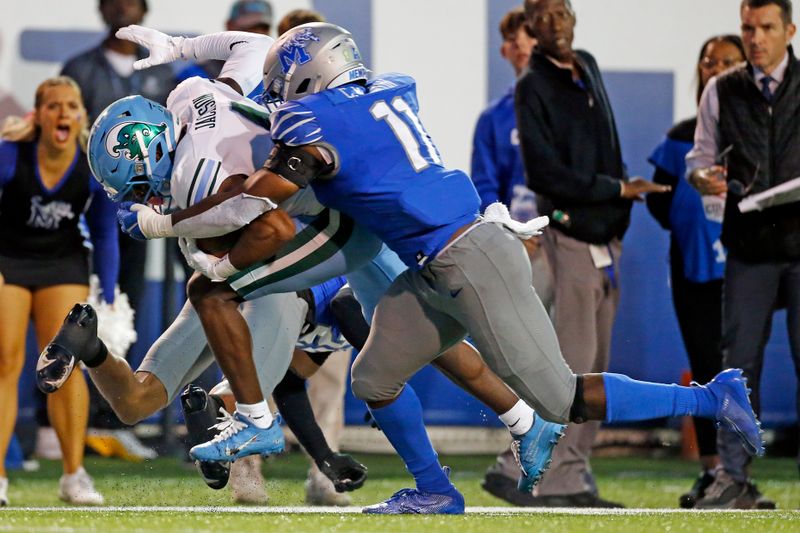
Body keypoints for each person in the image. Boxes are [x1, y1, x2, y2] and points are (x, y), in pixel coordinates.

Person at [120, 22, 765, 514]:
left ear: (311, 80)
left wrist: (165, 222)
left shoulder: (317, 119)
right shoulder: (382, 89)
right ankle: (436, 490)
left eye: (289, 85)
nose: (278, 96)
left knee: (561, 395)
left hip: (468, 259)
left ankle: (711, 395)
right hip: (437, 259)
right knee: (372, 375)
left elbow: (260, 196)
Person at [515, 0, 673, 507]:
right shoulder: (531, 85)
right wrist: (614, 189)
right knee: (574, 365)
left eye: (560, 9)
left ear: (573, 15)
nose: (554, 20)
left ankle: (569, 474)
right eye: (542, 13)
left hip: (607, 236)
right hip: (573, 234)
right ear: (530, 26)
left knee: (596, 361)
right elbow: (544, 174)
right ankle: (548, 473)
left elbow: (606, 145)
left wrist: (617, 198)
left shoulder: (587, 65)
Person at [686, 0, 799, 510]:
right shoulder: (721, 89)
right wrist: (700, 175)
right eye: (748, 28)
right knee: (738, 367)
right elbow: (700, 158)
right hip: (749, 248)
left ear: (789, 30)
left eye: (766, 28)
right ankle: (731, 477)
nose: (755, 38)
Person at [60, 0, 176, 456]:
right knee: (74, 303)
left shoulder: (162, 70)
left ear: (144, 8)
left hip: (144, 205)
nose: (122, 6)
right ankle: (64, 417)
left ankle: (110, 417)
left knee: (124, 302)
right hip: (90, 206)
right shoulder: (80, 67)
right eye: (113, 0)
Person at [0, 76, 119, 506]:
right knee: (6, 362)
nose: (63, 113)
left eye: (72, 106)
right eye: (54, 106)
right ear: (39, 114)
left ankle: (74, 475)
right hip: (7, 259)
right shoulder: (11, 155)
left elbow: (105, 234)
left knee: (64, 364)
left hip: (62, 262)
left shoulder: (93, 164)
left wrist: (108, 293)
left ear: (82, 116)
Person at [647, 35, 754, 509]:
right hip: (693, 271)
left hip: (749, 269)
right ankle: (713, 471)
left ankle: (739, 473)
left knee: (745, 367)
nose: (715, 69)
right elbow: (657, 196)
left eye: (727, 62)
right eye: (708, 62)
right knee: (707, 370)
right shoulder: (680, 136)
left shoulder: (757, 133)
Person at [470, 6, 554, 507]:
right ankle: (522, 460)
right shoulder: (496, 117)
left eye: (530, 38)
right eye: (514, 41)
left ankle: (545, 464)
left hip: (571, 244)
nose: (522, 47)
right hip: (525, 249)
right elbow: (484, 187)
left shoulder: (567, 102)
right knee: (529, 357)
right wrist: (510, 232)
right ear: (505, 51)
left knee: (570, 355)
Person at [176, 0, 273, 85]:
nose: (257, 36)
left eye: (263, 29)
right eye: (248, 29)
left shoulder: (276, 79)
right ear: (229, 26)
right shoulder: (193, 76)